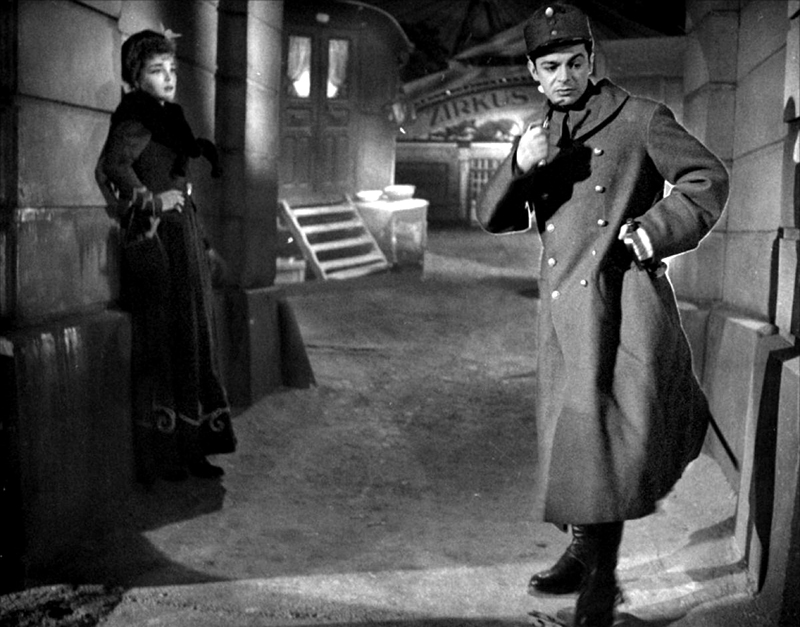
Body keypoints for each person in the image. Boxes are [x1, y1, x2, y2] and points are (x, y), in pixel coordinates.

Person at [477, 3, 729, 626]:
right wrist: (519, 164)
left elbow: (706, 179)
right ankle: (585, 554)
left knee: (607, 443)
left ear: (591, 60)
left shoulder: (639, 118)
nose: (564, 77)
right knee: (577, 441)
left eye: (575, 63)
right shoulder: (541, 135)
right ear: (533, 73)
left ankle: (599, 581)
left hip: (623, 305)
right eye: (551, 67)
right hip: (564, 314)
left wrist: (652, 231)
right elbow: (494, 218)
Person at [96, 29, 236, 485]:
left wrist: (203, 242)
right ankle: (165, 455)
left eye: (172, 69)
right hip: (160, 241)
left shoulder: (168, 116)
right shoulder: (136, 116)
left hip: (184, 236)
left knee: (193, 338)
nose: (169, 78)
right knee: (169, 340)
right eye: (157, 71)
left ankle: (192, 448)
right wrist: (152, 202)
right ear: (137, 77)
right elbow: (111, 167)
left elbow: (177, 178)